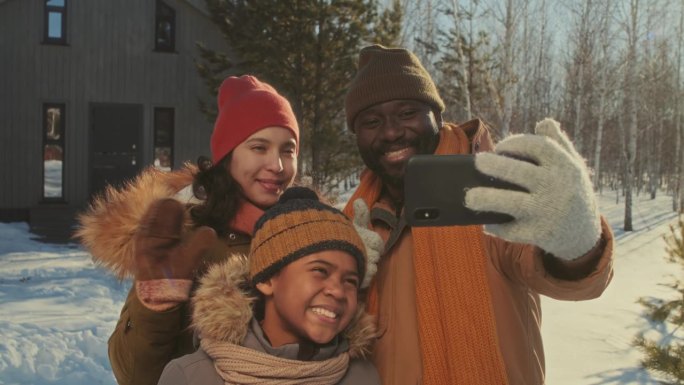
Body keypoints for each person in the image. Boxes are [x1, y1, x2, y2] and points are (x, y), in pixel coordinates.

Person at [342, 44, 615, 385]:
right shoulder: (353, 223)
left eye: (407, 113)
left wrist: (577, 243)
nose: (391, 131)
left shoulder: (493, 193)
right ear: (358, 136)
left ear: (436, 117)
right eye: (371, 121)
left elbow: (571, 278)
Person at [76, 75, 302, 385]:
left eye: (287, 150)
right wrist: (157, 304)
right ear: (227, 157)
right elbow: (135, 376)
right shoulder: (181, 237)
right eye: (259, 147)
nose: (277, 165)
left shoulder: (308, 232)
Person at [157, 186, 381, 385]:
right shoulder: (192, 377)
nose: (338, 291)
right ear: (266, 279)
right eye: (320, 271)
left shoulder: (363, 377)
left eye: (350, 280)